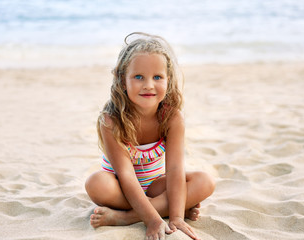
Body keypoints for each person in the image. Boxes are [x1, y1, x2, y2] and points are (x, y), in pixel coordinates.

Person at [85, 32, 215, 240]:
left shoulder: (172, 118)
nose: (148, 85)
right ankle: (157, 210)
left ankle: (127, 218)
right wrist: (154, 220)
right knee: (95, 183)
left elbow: (174, 170)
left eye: (157, 77)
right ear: (122, 79)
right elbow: (126, 176)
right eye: (138, 77)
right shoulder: (110, 120)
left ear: (168, 79)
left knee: (205, 181)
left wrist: (177, 216)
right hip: (120, 189)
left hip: (155, 186)